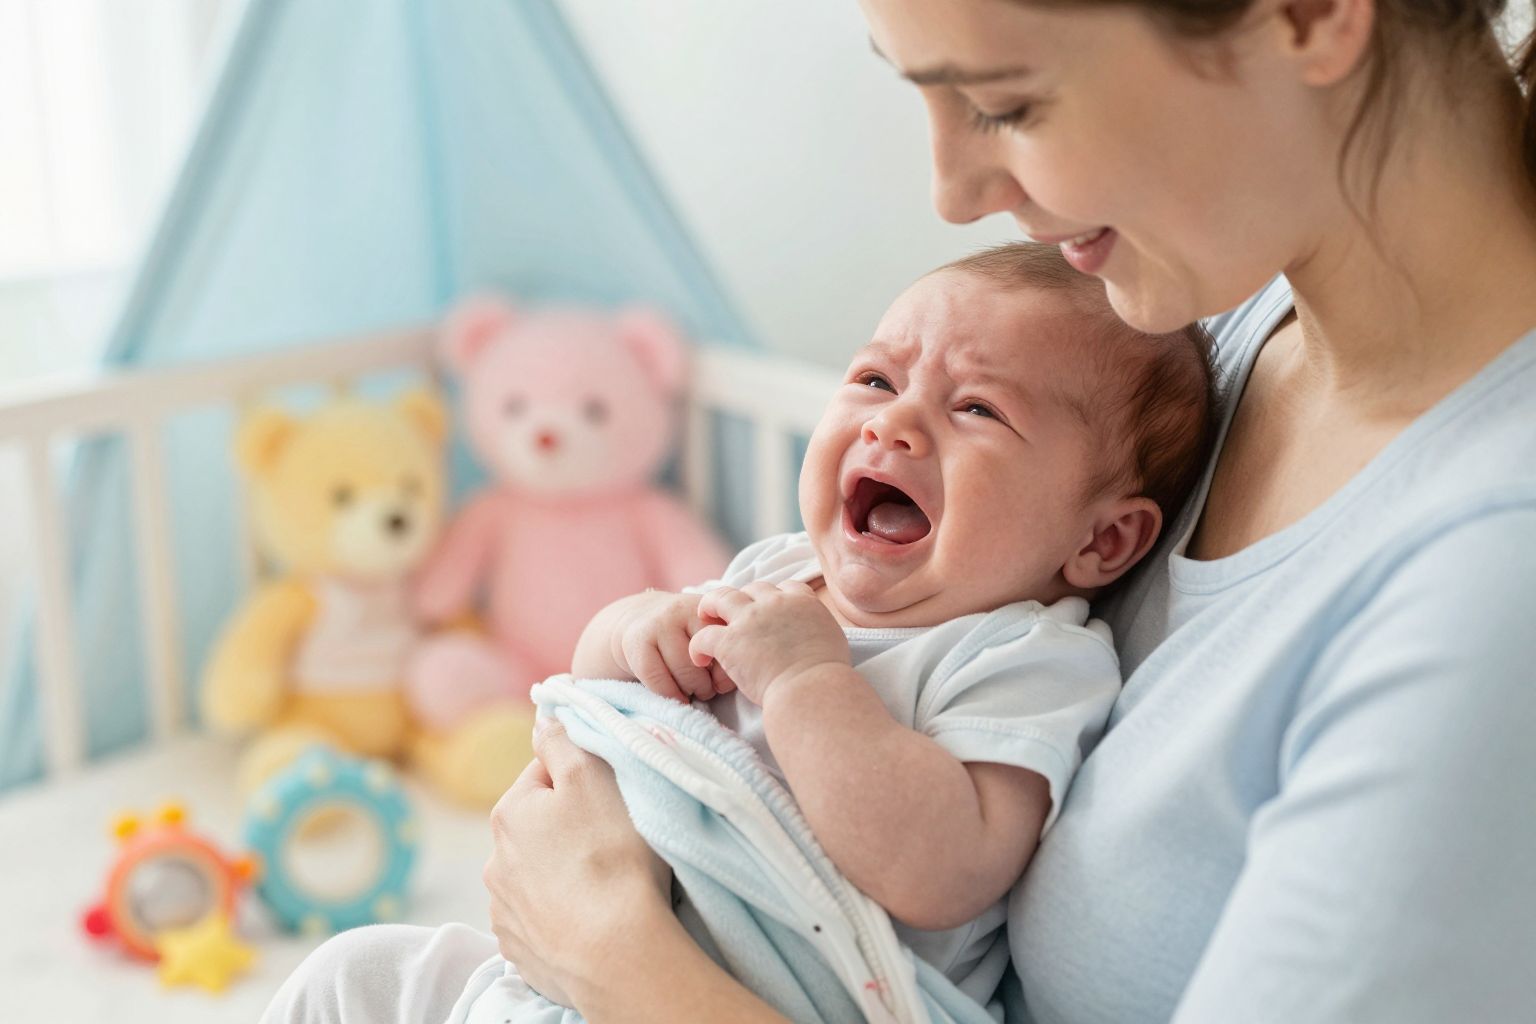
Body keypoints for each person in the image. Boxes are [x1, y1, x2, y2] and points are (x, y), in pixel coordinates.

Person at [271, 1, 1536, 1021]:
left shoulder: (1485, 586)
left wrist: (626, 968)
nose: (951, 187)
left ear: (1310, 15)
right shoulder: (1206, 319)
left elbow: (933, 843)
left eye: (1007, 101)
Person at [261, 241, 1217, 1020]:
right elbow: (600, 698)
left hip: (762, 994)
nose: (896, 428)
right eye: (877, 380)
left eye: (977, 409)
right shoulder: (772, 572)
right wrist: (636, 628)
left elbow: (945, 870)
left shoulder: (1024, 656)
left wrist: (808, 684)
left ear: (1102, 541)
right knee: (356, 975)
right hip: (559, 970)